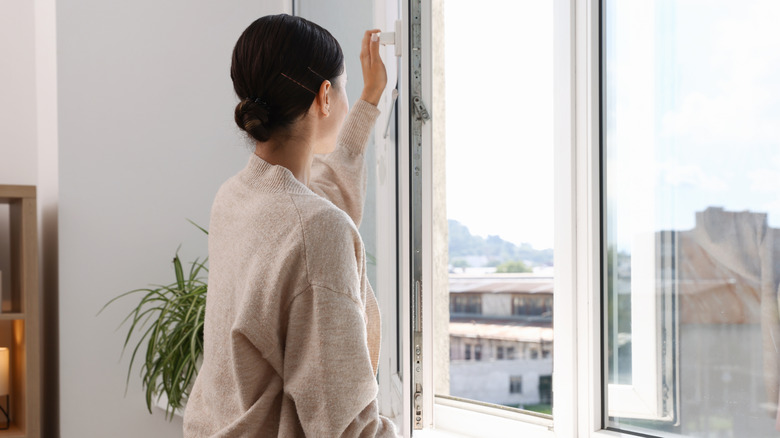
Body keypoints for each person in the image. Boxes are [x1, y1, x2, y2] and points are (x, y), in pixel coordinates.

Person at [183, 14, 397, 437]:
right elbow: (344, 426)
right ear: (324, 96)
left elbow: (317, 199)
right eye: (345, 85)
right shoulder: (316, 229)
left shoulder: (235, 197)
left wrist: (369, 100)